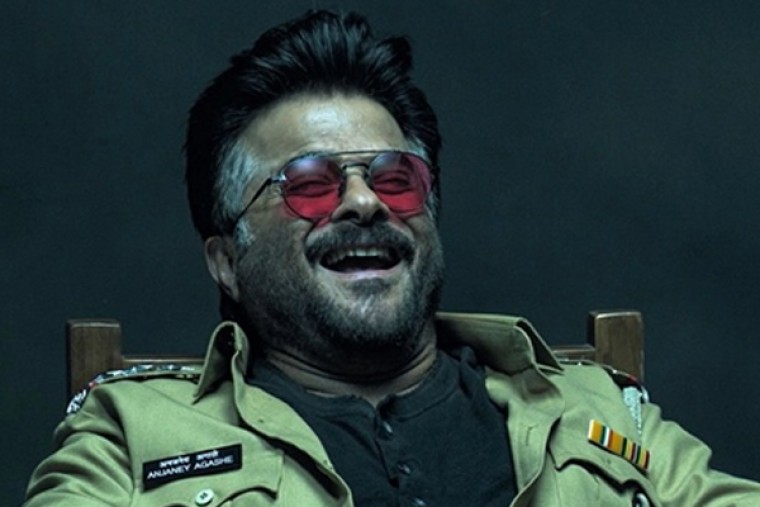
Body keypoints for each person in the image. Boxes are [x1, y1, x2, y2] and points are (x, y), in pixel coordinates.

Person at [25, 10, 760, 507]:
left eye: (395, 177)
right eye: (309, 183)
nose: (364, 202)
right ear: (225, 260)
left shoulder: (598, 407)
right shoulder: (130, 430)